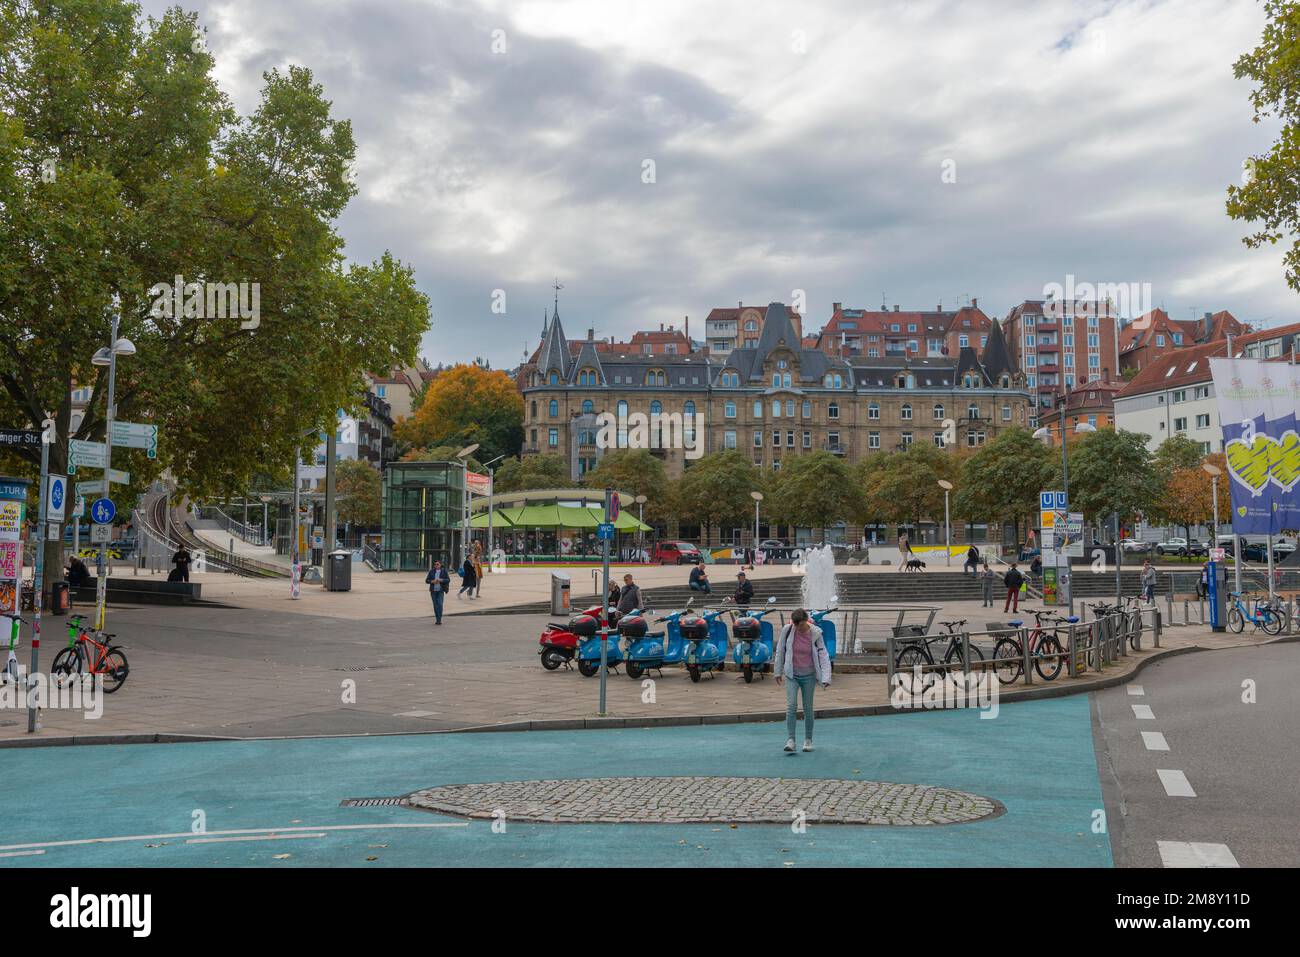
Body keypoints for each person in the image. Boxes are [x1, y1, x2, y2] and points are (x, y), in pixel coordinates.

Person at [773, 608, 832, 753]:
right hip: (792, 674)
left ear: (806, 621)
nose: (798, 628)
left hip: (809, 675)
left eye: (800, 625)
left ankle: (808, 740)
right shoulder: (787, 630)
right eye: (796, 625)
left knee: (808, 708)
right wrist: (777, 671)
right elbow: (780, 650)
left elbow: (823, 655)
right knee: (791, 706)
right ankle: (791, 739)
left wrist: (826, 677)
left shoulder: (816, 633)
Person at [425, 560, 450, 625]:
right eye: (435, 564)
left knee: (440, 604)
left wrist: (441, 580)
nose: (436, 565)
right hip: (433, 591)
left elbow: (448, 580)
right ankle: (437, 619)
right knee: (435, 605)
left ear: (440, 565)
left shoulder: (444, 571)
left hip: (440, 591)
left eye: (438, 564)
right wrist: (432, 581)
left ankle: (439, 619)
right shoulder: (431, 571)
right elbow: (427, 580)